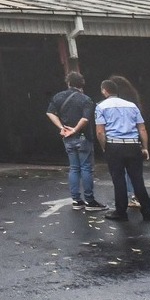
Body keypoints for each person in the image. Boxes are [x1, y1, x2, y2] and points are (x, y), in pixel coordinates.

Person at [46, 71, 106, 211]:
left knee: (74, 168)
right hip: (83, 137)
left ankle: (76, 200)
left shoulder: (58, 96)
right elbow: (85, 119)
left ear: (68, 83)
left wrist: (61, 127)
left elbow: (49, 112)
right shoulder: (86, 99)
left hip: (67, 137)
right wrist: (75, 129)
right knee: (86, 168)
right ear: (82, 84)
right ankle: (90, 201)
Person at [95, 79, 150, 222]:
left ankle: (121, 212)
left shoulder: (101, 107)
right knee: (137, 179)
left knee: (118, 180)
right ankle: (147, 212)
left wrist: (104, 147)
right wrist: (145, 147)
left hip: (114, 145)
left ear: (104, 91)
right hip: (133, 145)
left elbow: (100, 132)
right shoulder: (132, 106)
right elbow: (142, 129)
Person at [108, 75, 142, 209]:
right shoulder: (133, 102)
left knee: (119, 172)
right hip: (132, 139)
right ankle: (136, 195)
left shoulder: (109, 105)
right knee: (134, 171)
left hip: (115, 141)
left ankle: (126, 197)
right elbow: (140, 124)